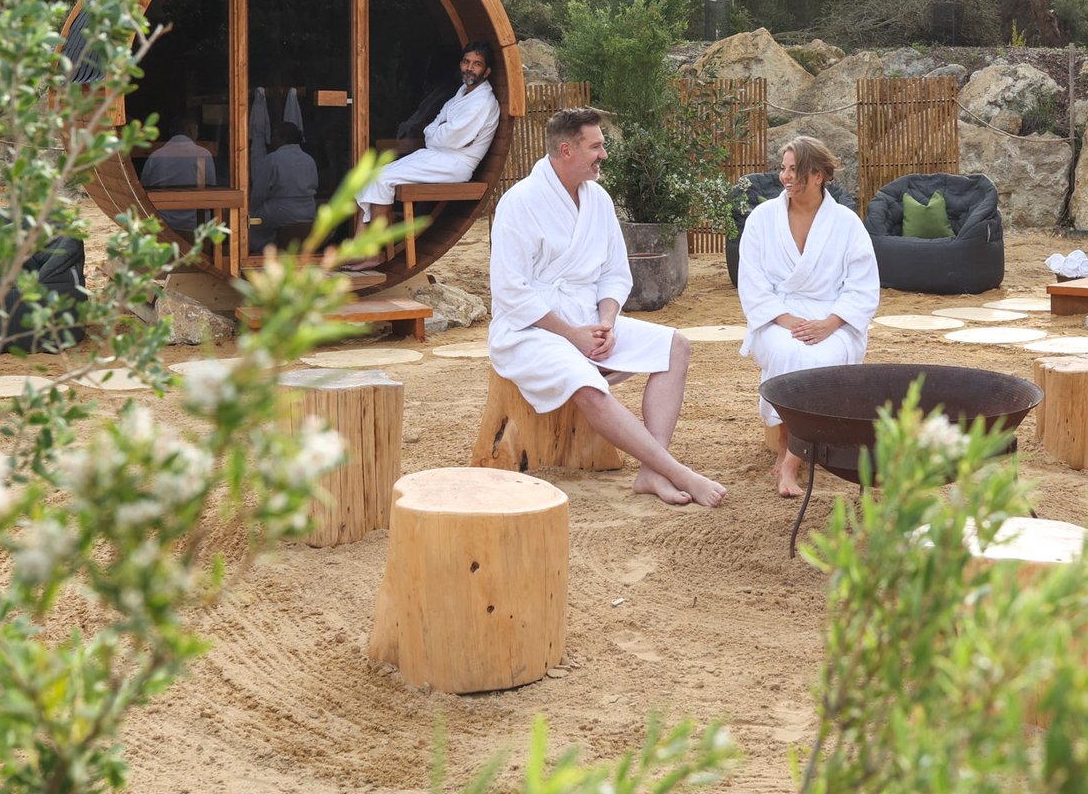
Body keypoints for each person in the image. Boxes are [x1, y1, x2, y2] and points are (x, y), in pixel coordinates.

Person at [489, 107, 727, 508]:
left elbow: (615, 274)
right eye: (596, 146)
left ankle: (651, 471)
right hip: (530, 331)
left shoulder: (598, 199)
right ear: (566, 150)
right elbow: (510, 291)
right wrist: (573, 335)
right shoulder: (520, 202)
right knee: (588, 385)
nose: (604, 154)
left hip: (588, 321)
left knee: (676, 347)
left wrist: (605, 322)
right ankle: (676, 471)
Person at [738, 136, 879, 497]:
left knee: (825, 357)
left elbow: (863, 287)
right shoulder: (761, 219)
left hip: (834, 317)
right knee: (788, 353)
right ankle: (789, 447)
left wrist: (830, 323)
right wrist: (788, 322)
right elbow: (752, 284)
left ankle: (790, 461)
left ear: (817, 175)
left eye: (793, 169)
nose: (784, 176)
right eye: (783, 168)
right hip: (778, 315)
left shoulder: (846, 223)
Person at [351, 40, 500, 260]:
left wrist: (440, 133)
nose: (470, 68)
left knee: (382, 179)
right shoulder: (462, 93)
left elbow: (450, 136)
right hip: (439, 155)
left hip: (456, 164)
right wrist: (440, 133)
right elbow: (432, 128)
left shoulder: (482, 102)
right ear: (461, 64)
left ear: (486, 71)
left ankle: (373, 254)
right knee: (373, 176)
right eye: (466, 62)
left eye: (477, 64)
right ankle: (358, 247)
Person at [141, 116, 217, 235]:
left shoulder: (156, 156)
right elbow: (212, 187)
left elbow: (143, 186)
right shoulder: (203, 154)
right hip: (196, 224)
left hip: (164, 224)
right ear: (192, 130)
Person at [249, 122, 318, 253]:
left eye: (275, 136)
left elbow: (260, 192)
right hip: (308, 211)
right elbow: (315, 184)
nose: (272, 140)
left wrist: (252, 208)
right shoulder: (309, 159)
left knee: (250, 222)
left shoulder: (273, 159)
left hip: (281, 211)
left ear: (283, 138)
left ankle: (264, 253)